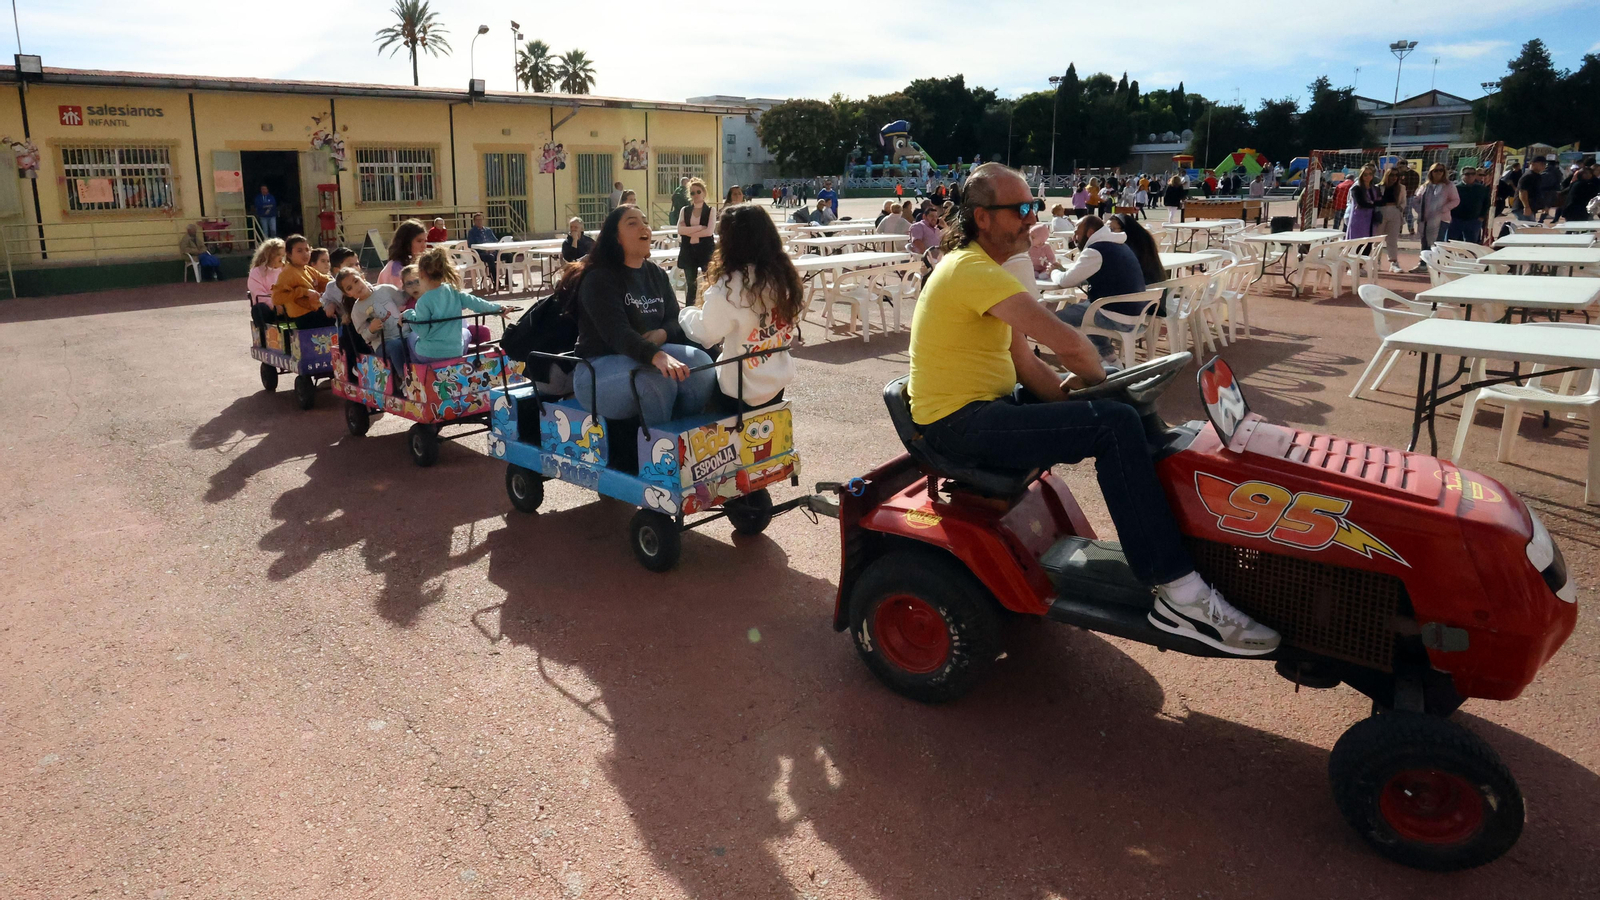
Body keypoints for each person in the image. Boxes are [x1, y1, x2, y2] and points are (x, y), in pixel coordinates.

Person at [908, 162, 1279, 655]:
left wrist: (1081, 398)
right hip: (958, 425)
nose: (1031, 217)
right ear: (983, 218)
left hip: (981, 408)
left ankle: (1181, 550)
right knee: (1116, 422)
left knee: (1115, 414)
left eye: (1033, 206)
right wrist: (1104, 390)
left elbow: (1024, 362)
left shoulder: (982, 271)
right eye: (1020, 208)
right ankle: (1179, 590)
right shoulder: (972, 271)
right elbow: (1075, 349)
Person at [569, 205, 715, 425]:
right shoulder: (599, 278)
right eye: (632, 223)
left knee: (702, 366)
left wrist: (662, 334)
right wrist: (656, 356)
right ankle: (657, 448)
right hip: (598, 367)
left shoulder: (656, 273)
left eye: (645, 221)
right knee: (654, 379)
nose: (643, 227)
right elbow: (617, 333)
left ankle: (682, 434)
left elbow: (676, 319)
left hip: (650, 353)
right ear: (616, 237)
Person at [679, 205, 801, 410]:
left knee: (690, 391)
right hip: (776, 379)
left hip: (739, 388)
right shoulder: (783, 274)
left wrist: (684, 313)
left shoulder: (730, 285)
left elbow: (707, 334)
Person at [1046, 214, 1148, 361]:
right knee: (1088, 309)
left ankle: (1080, 362)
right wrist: (1064, 271)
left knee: (1056, 320)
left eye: (1077, 232)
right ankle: (1109, 359)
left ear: (1090, 233)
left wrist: (1053, 272)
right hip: (1136, 316)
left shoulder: (1095, 251)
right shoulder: (1119, 245)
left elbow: (1065, 281)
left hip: (1116, 317)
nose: (1074, 237)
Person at [400, 247, 510, 363]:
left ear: (421, 273)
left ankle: (416, 373)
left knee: (412, 337)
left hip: (429, 354)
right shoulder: (454, 291)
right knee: (466, 332)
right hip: (456, 352)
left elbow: (423, 331)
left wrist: (408, 314)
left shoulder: (423, 301)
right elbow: (477, 303)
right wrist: (498, 309)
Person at [339, 268, 410, 373]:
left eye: (356, 281)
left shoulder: (385, 289)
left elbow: (406, 299)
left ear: (362, 277)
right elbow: (364, 336)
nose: (356, 287)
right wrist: (371, 329)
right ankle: (405, 378)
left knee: (417, 341)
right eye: (350, 288)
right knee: (396, 346)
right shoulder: (357, 310)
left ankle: (423, 376)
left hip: (405, 332)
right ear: (348, 294)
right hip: (384, 343)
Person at [271, 235, 335, 328]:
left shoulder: (308, 269)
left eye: (307, 250)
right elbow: (276, 298)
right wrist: (303, 292)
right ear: (289, 254)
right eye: (299, 251)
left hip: (317, 310)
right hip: (305, 318)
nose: (305, 254)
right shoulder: (288, 273)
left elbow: (325, 280)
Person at [677, 178, 717, 302]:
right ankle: (689, 310)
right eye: (692, 193)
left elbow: (709, 231)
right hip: (688, 251)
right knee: (691, 284)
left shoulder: (710, 210)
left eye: (698, 192)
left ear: (704, 193)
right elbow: (680, 229)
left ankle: (708, 307)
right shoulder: (685, 210)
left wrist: (690, 232)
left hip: (705, 250)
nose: (695, 195)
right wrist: (699, 228)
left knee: (708, 282)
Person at [1414, 163, 1460, 269]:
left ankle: (1438, 265)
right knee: (1424, 242)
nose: (1438, 173)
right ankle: (1423, 264)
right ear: (1431, 172)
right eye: (1436, 170)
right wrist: (1420, 210)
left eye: (1441, 170)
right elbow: (1416, 199)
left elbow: (1456, 200)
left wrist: (1443, 209)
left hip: (1441, 219)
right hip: (1424, 219)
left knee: (1438, 243)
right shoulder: (1425, 186)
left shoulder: (1449, 186)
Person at [1110, 213, 1165, 287]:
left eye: (1112, 229)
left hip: (1142, 291)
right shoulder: (1144, 241)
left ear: (1125, 230)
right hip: (1157, 291)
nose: (1109, 233)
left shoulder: (1128, 250)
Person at [378, 219, 427, 290]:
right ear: (406, 243)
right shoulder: (396, 268)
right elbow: (402, 296)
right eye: (419, 241)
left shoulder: (418, 263)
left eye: (425, 241)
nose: (424, 246)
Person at [1373, 167, 1406, 272]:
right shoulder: (1378, 187)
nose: (1394, 177)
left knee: (1392, 239)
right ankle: (1375, 261)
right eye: (1391, 175)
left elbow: (1403, 201)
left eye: (1396, 175)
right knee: (1377, 239)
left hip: (1394, 211)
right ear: (1386, 175)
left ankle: (1394, 262)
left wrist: (1400, 208)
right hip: (1381, 211)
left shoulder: (1401, 188)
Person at [1448, 167, 1491, 243]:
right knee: (1450, 242)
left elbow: (1486, 203)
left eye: (1473, 174)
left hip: (1474, 220)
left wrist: (1482, 216)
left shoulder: (1482, 189)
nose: (1470, 176)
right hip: (1456, 220)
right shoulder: (1456, 188)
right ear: (1462, 176)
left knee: (1471, 244)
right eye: (1467, 174)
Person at [318, 247, 359, 319]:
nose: (355, 268)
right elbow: (325, 299)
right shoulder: (332, 287)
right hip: (345, 323)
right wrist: (330, 304)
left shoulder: (361, 283)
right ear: (337, 270)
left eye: (357, 264)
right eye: (349, 266)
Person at [247, 238, 285, 307]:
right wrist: (275, 305)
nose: (281, 258)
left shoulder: (286, 269)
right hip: (268, 307)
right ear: (269, 256)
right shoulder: (257, 272)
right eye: (278, 255)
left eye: (283, 255)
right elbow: (259, 294)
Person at [467, 212, 499, 281]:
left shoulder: (488, 230)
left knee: (508, 255)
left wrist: (493, 248)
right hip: (480, 254)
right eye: (477, 220)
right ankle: (496, 281)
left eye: (481, 219)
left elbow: (495, 241)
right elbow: (470, 245)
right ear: (474, 221)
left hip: (492, 251)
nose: (479, 221)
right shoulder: (472, 232)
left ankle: (508, 281)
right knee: (490, 257)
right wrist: (484, 250)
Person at [1517, 157, 1547, 222]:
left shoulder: (1537, 176)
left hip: (1531, 207)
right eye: (1542, 164)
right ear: (1533, 164)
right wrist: (1526, 207)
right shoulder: (1528, 176)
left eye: (1544, 164)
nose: (1544, 166)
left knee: (1530, 228)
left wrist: (1542, 205)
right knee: (1529, 228)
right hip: (1522, 208)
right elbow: (1522, 192)